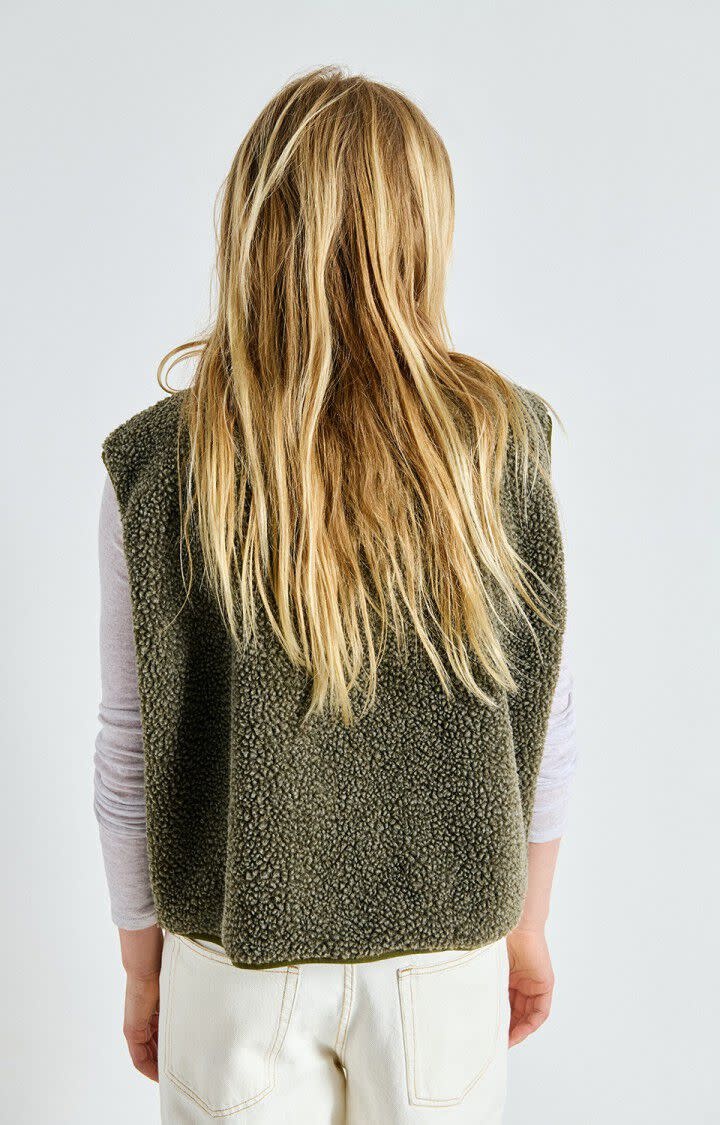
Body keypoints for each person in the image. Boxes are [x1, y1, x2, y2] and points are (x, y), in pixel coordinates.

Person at [95, 67, 578, 1124]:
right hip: (442, 960)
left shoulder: (163, 460)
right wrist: (529, 926)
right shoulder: (500, 443)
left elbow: (130, 744)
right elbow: (547, 721)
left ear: (252, 226)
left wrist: (141, 961)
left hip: (235, 959)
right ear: (425, 234)